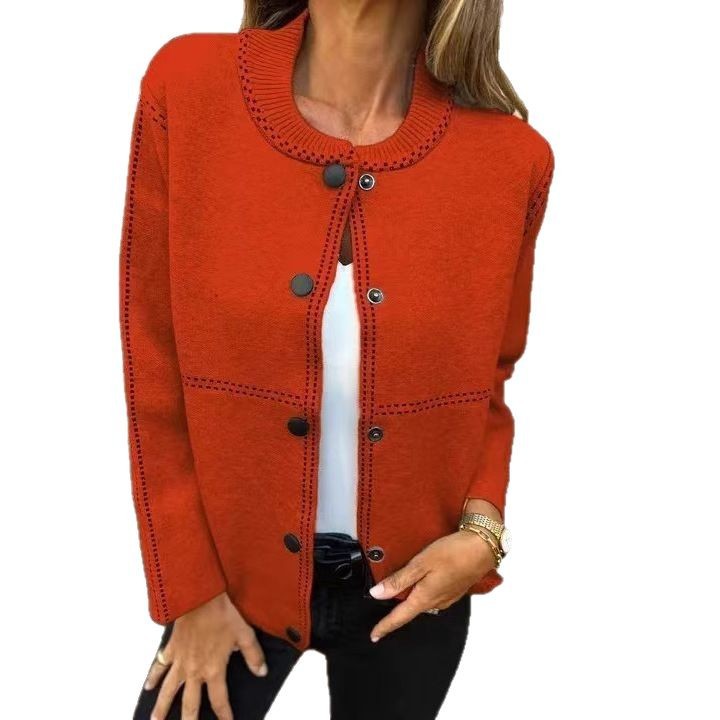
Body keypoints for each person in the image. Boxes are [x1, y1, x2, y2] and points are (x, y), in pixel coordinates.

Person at [119, 1, 555, 718]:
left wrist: (482, 535)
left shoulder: (511, 158)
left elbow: (490, 381)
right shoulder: (190, 88)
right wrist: (189, 594)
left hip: (416, 593)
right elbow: (153, 362)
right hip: (228, 586)